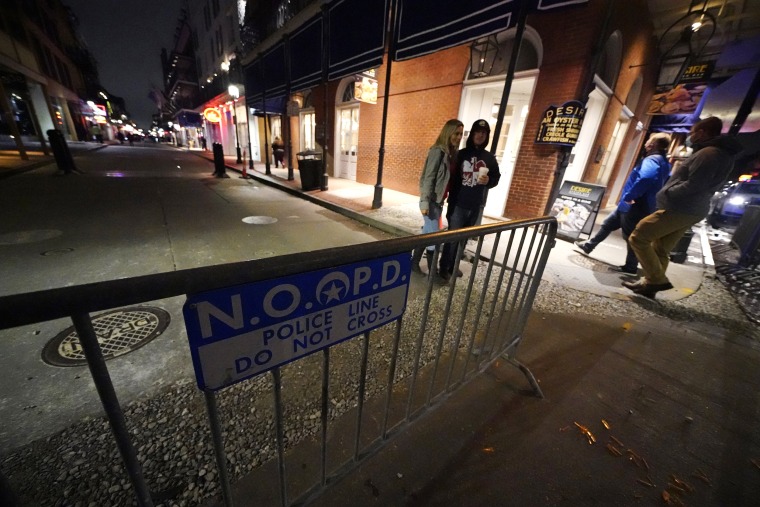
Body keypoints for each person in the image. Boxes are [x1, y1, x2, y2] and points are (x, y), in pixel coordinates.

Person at [624, 117, 742, 298]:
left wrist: (668, 192)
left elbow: (695, 185)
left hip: (680, 208)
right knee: (661, 248)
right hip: (690, 210)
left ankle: (656, 280)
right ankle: (650, 286)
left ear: (702, 133)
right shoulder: (721, 155)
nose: (691, 136)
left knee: (639, 236)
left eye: (693, 132)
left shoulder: (708, 154)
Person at [575, 133, 672, 274]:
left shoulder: (651, 160)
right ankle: (589, 246)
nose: (646, 144)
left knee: (630, 236)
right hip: (638, 204)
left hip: (634, 204)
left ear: (653, 144)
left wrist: (629, 196)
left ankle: (631, 266)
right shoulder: (664, 162)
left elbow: (646, 177)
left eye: (648, 141)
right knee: (608, 223)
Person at [438, 119, 501, 281]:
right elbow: (449, 177)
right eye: (477, 132)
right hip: (458, 203)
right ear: (472, 134)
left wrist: (489, 181)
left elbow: (496, 177)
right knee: (452, 238)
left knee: (464, 239)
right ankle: (444, 267)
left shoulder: (489, 158)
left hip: (475, 205)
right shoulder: (461, 154)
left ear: (487, 136)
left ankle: (453, 266)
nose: (480, 135)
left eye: (484, 133)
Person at [411, 119, 464, 274]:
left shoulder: (451, 153)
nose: (459, 137)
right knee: (434, 238)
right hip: (431, 201)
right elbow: (429, 177)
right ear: (448, 132)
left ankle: (414, 264)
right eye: (456, 133)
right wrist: (425, 202)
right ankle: (432, 273)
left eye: (461, 134)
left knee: (427, 233)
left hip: (439, 201)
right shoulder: (438, 151)